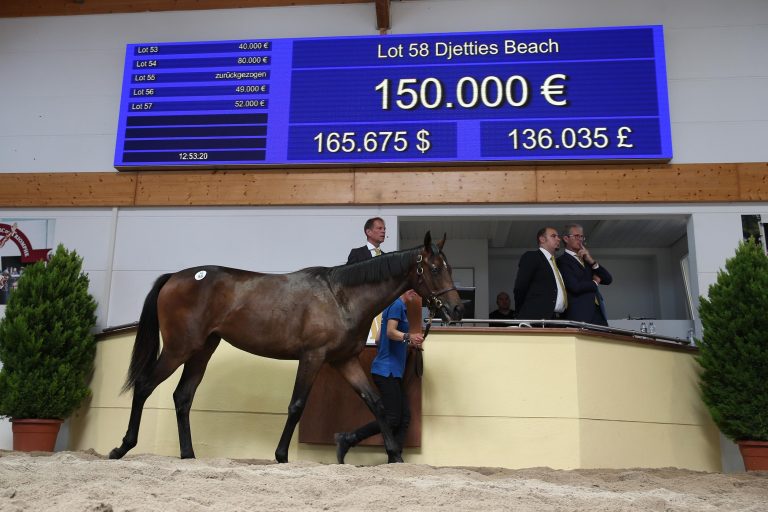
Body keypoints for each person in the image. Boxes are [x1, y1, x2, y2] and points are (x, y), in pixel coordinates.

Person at [334, 289, 425, 464]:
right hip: (386, 370)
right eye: (412, 289)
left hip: (390, 370)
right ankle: (348, 439)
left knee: (404, 416)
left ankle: (395, 457)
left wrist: (407, 343)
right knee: (392, 418)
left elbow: (378, 339)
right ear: (406, 290)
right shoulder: (397, 304)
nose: (415, 292)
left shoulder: (392, 305)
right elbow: (390, 332)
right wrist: (409, 337)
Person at [557, 223, 613, 326]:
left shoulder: (586, 260)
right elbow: (575, 287)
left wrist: (591, 260)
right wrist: (595, 282)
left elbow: (608, 279)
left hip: (598, 314)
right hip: (579, 316)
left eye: (582, 236)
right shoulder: (561, 261)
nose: (580, 239)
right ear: (566, 238)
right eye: (577, 236)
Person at [513, 227, 567, 320]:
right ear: (542, 239)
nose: (558, 239)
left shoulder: (557, 263)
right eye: (553, 236)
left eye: (558, 236)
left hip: (557, 319)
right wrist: (522, 313)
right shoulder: (532, 257)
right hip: (536, 318)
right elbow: (520, 287)